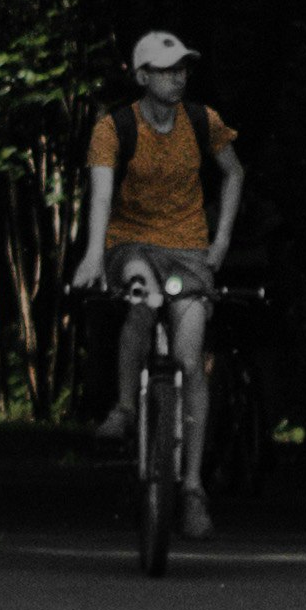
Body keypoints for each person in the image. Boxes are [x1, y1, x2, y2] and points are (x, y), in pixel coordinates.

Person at [70, 27, 246, 543]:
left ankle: (191, 488)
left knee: (192, 361)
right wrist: (91, 256)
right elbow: (101, 197)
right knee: (142, 296)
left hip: (190, 250)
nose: (178, 77)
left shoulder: (201, 120)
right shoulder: (114, 128)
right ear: (143, 76)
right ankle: (125, 409)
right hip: (131, 244)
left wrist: (220, 245)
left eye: (183, 68)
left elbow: (234, 174)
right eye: (167, 70)